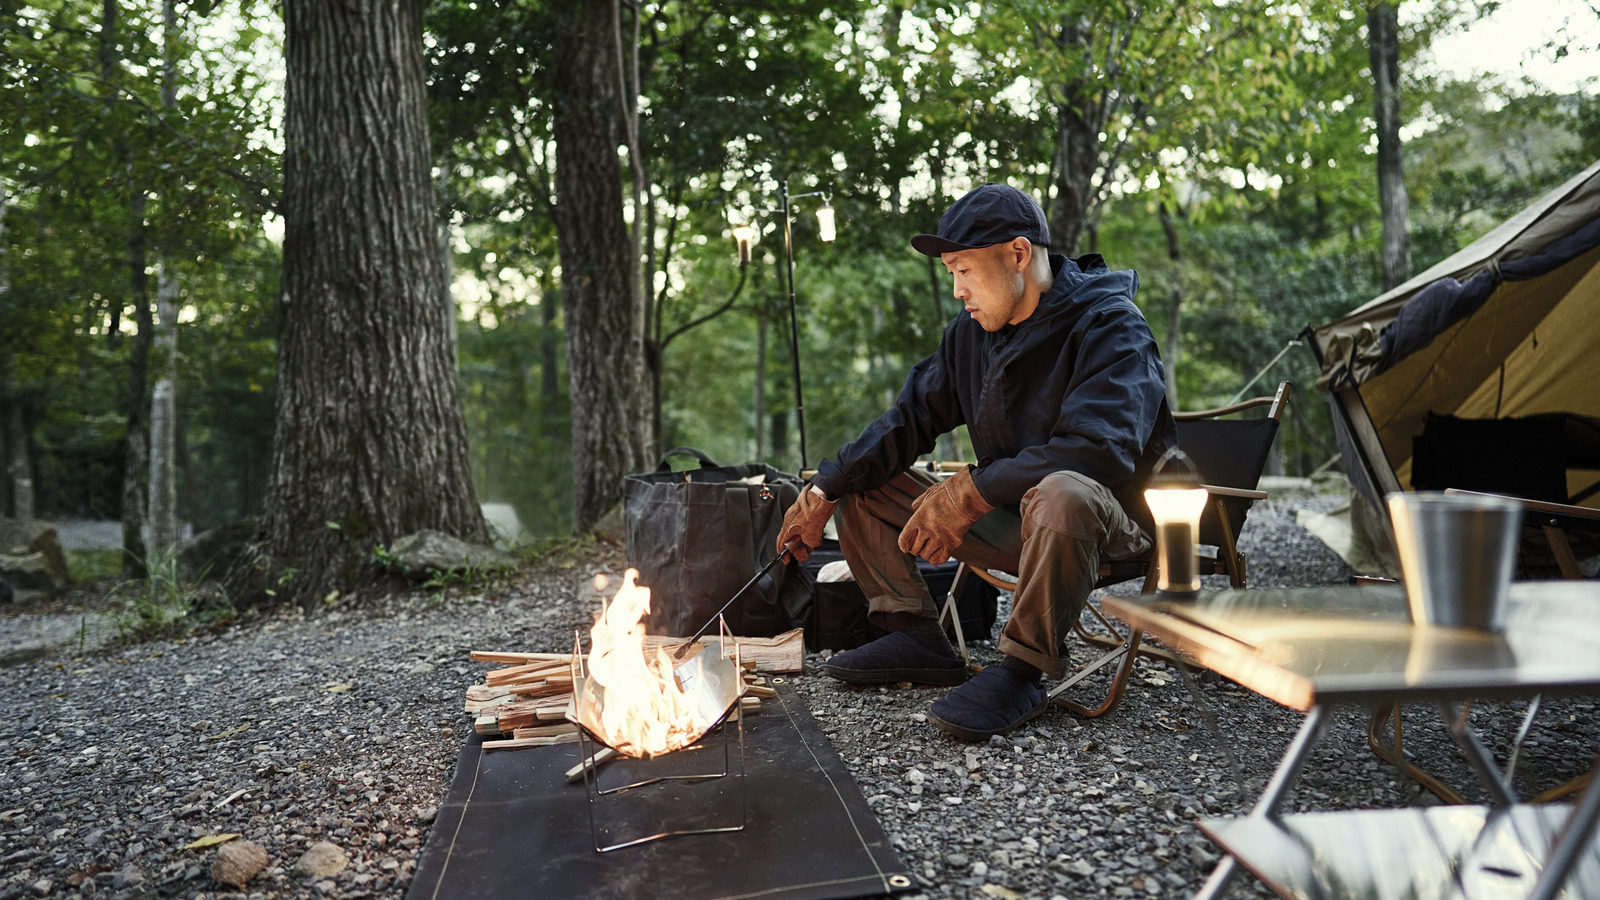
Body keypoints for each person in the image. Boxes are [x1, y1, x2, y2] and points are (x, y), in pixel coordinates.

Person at [778, 183, 1177, 741]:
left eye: (965, 269)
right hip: (1013, 520)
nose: (958, 289)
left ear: (1018, 254)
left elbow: (1098, 451)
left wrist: (971, 492)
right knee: (864, 478)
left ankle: (1024, 668)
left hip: (1105, 527)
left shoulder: (1112, 325)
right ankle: (912, 632)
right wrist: (823, 489)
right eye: (951, 273)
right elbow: (908, 419)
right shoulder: (971, 335)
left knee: (1064, 490)